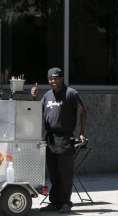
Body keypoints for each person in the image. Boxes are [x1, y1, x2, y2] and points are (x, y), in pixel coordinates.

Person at [31, 67, 87, 213]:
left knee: (65, 173)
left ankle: (66, 203)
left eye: (55, 78)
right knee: (54, 173)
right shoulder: (47, 96)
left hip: (65, 139)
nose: (52, 81)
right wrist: (35, 98)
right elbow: (37, 111)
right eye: (50, 79)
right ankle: (55, 203)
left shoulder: (71, 93)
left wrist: (81, 133)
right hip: (50, 139)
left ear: (62, 78)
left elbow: (83, 112)